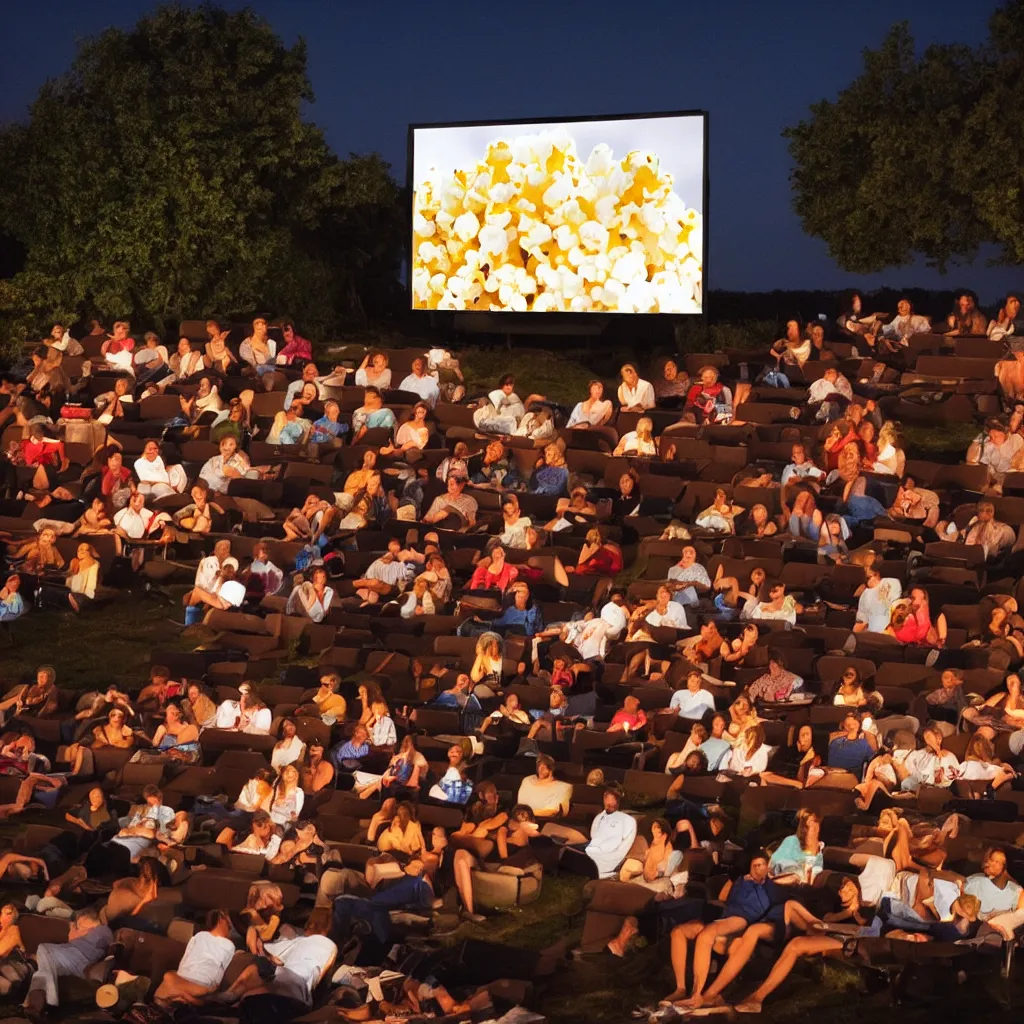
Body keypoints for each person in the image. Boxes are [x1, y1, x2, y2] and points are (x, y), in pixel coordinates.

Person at [23, 908, 112, 1013]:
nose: (76, 928)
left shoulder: (102, 931)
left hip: (79, 958)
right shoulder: (87, 936)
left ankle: (50, 1001)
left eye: (79, 925)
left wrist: (78, 930)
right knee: (42, 973)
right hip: (69, 959)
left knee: (44, 948)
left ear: (90, 920)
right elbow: (72, 939)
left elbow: (81, 938)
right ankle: (32, 1006)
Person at [154, 909, 236, 1008]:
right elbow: (186, 957)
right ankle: (183, 997)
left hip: (200, 984)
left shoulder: (227, 945)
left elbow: (222, 969)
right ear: (220, 920)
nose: (230, 930)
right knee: (169, 976)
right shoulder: (200, 936)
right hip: (187, 980)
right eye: (229, 925)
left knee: (167, 981)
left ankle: (181, 997)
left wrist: (213, 988)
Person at [584, 788, 637, 878]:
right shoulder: (599, 817)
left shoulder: (627, 820)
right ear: (604, 801)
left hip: (608, 856)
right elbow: (593, 835)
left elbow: (625, 844)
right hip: (591, 851)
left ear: (618, 802)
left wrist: (613, 857)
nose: (609, 804)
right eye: (607, 801)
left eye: (612, 801)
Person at [854, 566, 902, 633]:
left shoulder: (891, 583)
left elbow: (895, 609)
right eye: (864, 579)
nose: (866, 582)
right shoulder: (865, 594)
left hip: (889, 629)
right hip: (871, 632)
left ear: (877, 575)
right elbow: (861, 622)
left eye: (868, 578)